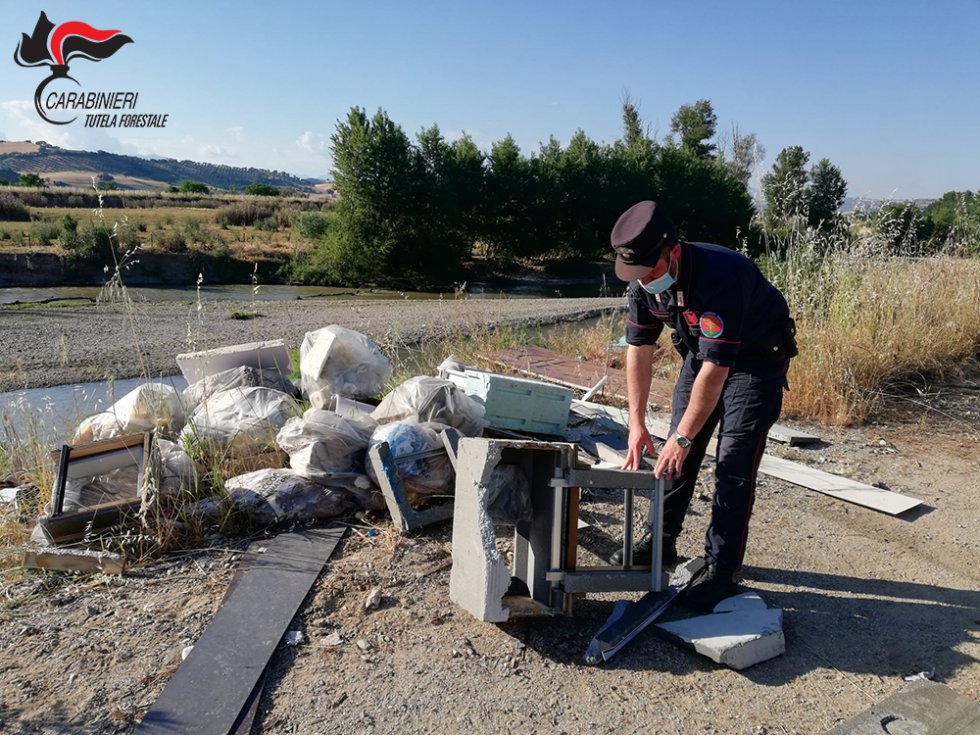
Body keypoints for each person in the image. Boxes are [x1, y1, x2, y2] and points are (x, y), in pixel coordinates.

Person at [607, 200, 797, 612]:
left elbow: (718, 369)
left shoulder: (720, 276)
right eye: (637, 275)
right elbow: (638, 347)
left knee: (732, 460)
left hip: (755, 358)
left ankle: (721, 570)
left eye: (651, 271)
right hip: (703, 354)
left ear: (671, 250)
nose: (645, 281)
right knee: (675, 456)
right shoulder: (642, 280)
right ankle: (659, 542)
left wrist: (684, 436)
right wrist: (636, 423)